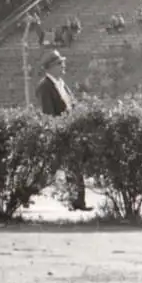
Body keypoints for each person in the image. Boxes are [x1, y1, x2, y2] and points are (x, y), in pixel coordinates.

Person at [36, 50, 90, 211]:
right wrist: (57, 131)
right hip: (60, 134)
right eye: (60, 63)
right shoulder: (45, 86)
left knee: (73, 167)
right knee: (47, 171)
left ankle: (78, 202)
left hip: (69, 133)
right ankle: (21, 195)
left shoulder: (62, 84)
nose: (63, 66)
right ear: (50, 67)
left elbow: (71, 105)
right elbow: (49, 113)